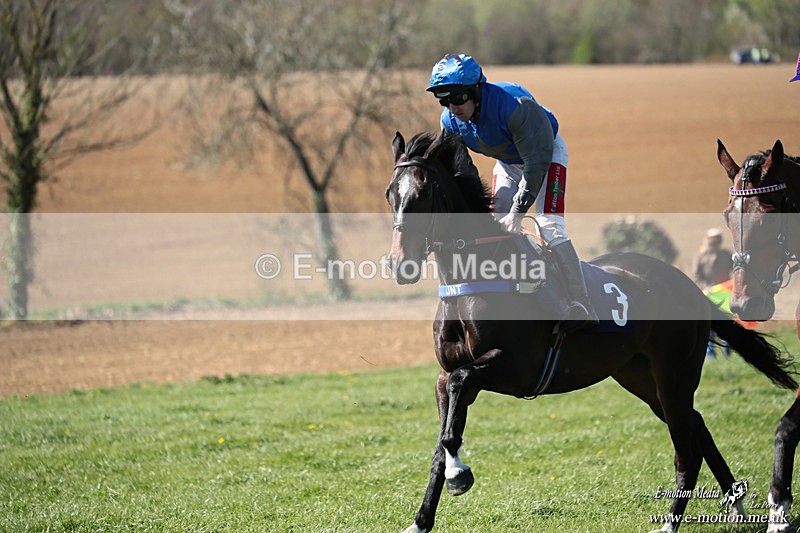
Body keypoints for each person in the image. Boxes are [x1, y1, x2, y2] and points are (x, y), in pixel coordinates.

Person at [426, 52, 598, 329]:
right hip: (508, 163)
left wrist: (519, 210)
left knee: (549, 226)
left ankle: (580, 303)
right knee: (495, 225)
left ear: (476, 91)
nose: (452, 107)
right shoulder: (450, 121)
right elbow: (457, 170)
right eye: (443, 99)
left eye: (458, 98)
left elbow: (536, 163)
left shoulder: (514, 106)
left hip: (545, 155)